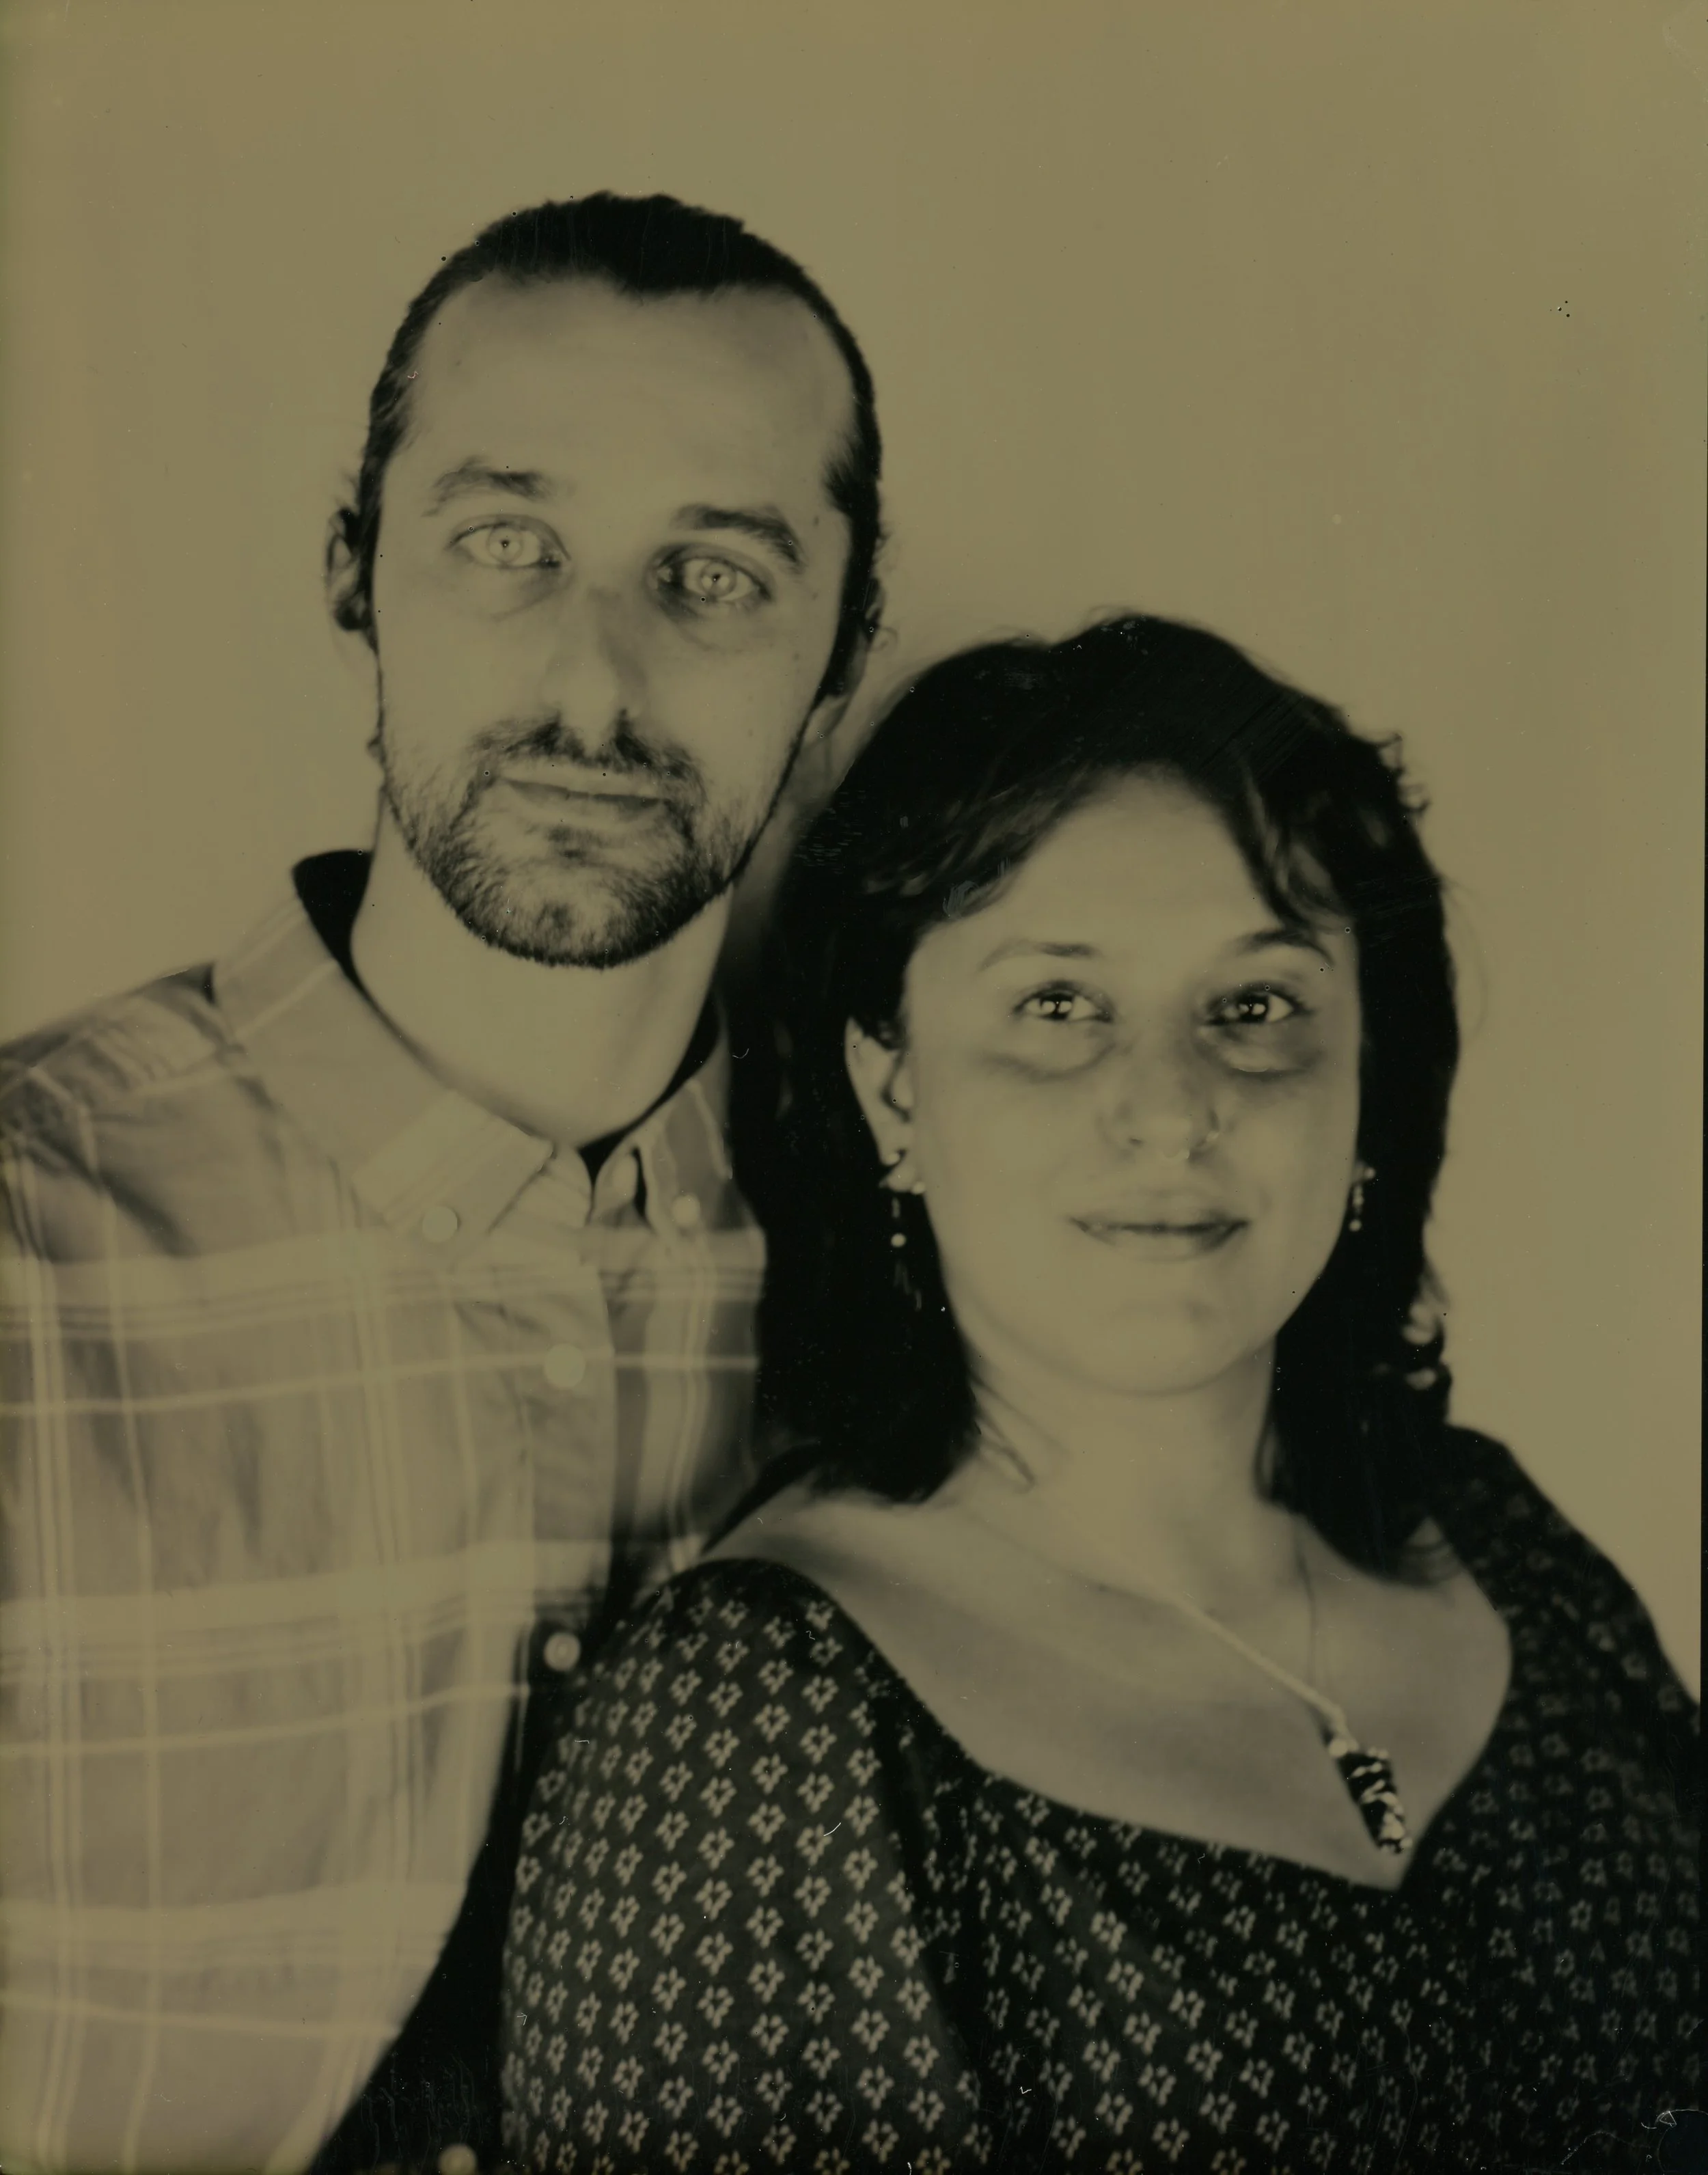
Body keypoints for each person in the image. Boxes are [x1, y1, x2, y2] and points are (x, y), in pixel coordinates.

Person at [502, 616, 1700, 2172]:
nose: (1168, 1109)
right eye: (1056, 1008)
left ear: (1361, 1089)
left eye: (1255, 1006)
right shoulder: (753, 1733)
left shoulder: (1495, 1538)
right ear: (894, 1091)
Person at [0, 191, 881, 2173]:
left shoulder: (925, 1271)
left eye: (715, 575)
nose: (594, 680)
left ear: (840, 660)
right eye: (509, 545)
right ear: (352, 569)